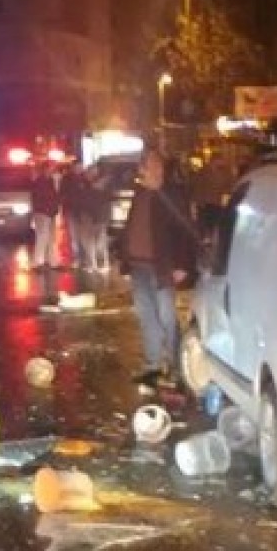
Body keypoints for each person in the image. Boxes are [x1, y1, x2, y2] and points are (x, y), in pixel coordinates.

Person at [118, 150, 196, 388]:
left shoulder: (171, 194)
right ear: (142, 169)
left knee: (167, 317)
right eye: (150, 166)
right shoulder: (139, 193)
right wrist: (123, 254)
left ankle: (176, 367)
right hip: (138, 266)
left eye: (158, 165)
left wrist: (182, 264)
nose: (155, 170)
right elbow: (132, 226)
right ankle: (153, 365)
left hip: (161, 267)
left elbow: (185, 230)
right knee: (147, 317)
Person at [80, 164, 115, 272]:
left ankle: (99, 264)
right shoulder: (97, 184)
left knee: (96, 240)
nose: (88, 174)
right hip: (94, 216)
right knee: (95, 240)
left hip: (96, 216)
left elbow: (93, 201)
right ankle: (97, 264)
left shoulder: (96, 185)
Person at [29, 162, 62, 271]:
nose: (52, 171)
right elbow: (40, 198)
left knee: (51, 238)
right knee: (42, 237)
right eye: (50, 168)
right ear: (44, 169)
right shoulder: (40, 181)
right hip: (43, 213)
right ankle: (38, 263)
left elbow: (56, 195)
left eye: (53, 169)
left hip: (51, 212)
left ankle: (53, 261)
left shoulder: (51, 181)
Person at [58, 162, 86, 268]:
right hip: (71, 210)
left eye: (80, 167)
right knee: (74, 236)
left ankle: (83, 257)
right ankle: (77, 258)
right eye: (77, 167)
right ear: (73, 168)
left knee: (83, 235)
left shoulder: (84, 178)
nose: (79, 169)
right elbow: (62, 194)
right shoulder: (67, 179)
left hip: (82, 211)